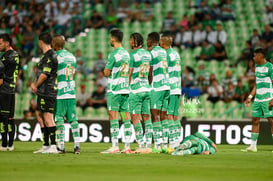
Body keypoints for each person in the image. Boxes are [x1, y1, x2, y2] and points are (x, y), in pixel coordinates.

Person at [101, 29, 132, 154]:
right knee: (125, 117)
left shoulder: (113, 55)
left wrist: (107, 71)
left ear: (113, 38)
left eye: (110, 38)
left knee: (113, 116)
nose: (110, 40)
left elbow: (106, 72)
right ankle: (128, 146)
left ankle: (115, 146)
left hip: (114, 90)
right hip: (125, 89)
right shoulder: (127, 54)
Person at [52, 35, 80, 154]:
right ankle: (77, 145)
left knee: (59, 119)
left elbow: (52, 75)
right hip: (71, 92)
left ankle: (61, 146)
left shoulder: (55, 57)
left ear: (54, 44)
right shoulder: (72, 57)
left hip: (60, 93)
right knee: (73, 119)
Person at [31, 32, 58, 154]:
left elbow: (44, 74)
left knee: (48, 117)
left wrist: (35, 85)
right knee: (40, 116)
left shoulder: (50, 56)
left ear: (41, 42)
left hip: (48, 91)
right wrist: (34, 83)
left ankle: (53, 146)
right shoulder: (45, 56)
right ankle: (46, 145)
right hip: (43, 91)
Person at [242, 48, 273, 152]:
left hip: (268, 98)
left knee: (271, 121)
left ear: (261, 56)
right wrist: (250, 97)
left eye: (255, 56)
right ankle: (253, 146)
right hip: (258, 99)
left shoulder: (270, 67)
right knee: (255, 120)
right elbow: (257, 84)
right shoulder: (257, 67)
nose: (254, 58)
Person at [128, 33, 152, 154]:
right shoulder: (148, 54)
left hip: (135, 90)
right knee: (147, 117)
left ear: (136, 41)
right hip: (146, 89)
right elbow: (150, 73)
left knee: (135, 117)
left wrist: (126, 88)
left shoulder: (132, 56)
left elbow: (129, 74)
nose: (130, 43)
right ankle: (148, 145)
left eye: (131, 40)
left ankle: (141, 145)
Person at [147, 32, 169, 153]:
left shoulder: (151, 53)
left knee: (154, 115)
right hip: (166, 86)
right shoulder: (163, 51)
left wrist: (148, 84)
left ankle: (157, 145)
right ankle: (164, 145)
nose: (146, 42)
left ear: (151, 40)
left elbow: (150, 72)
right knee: (163, 116)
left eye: (147, 40)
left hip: (156, 86)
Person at [160, 34, 182, 151]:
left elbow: (164, 71)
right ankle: (177, 141)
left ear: (162, 43)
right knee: (174, 116)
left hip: (170, 87)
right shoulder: (176, 54)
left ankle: (173, 143)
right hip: (178, 87)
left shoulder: (166, 55)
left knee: (168, 115)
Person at [0, 33, 19, 151]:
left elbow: (1, 76)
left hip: (4, 90)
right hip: (11, 90)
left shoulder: (8, 57)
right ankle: (10, 144)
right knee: (10, 118)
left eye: (0, 43)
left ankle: (4, 144)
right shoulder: (14, 55)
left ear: (7, 43)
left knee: (3, 118)